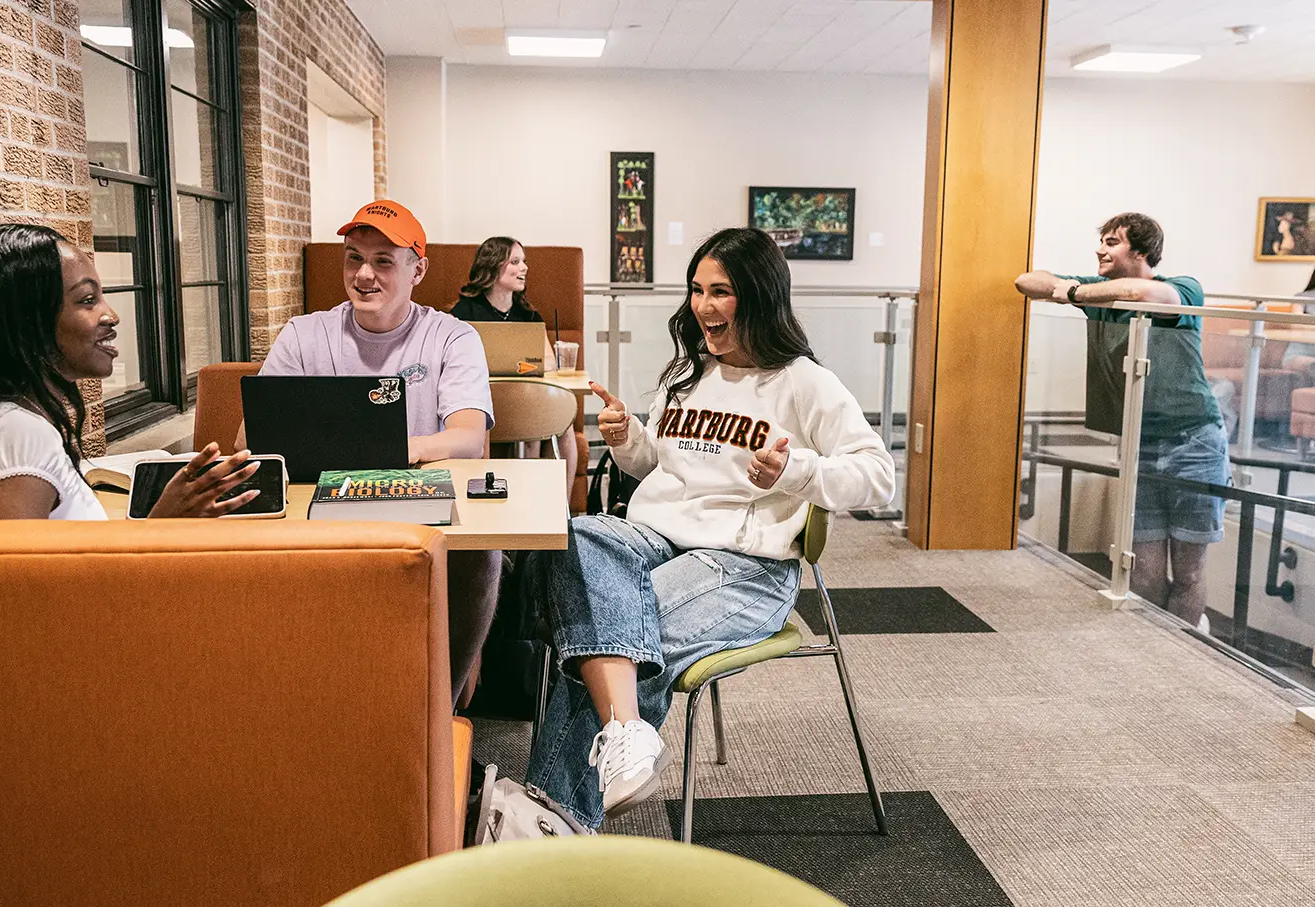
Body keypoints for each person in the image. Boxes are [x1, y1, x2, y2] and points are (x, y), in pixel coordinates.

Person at [525, 228, 893, 828]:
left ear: (758, 297)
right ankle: (622, 738)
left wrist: (795, 470)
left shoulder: (804, 382)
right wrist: (628, 439)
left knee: (601, 643)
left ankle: (547, 823)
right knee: (580, 535)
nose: (702, 306)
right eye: (696, 290)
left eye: (720, 291)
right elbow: (658, 467)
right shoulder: (686, 375)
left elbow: (878, 477)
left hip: (743, 565)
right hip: (657, 539)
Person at [238, 199, 500, 706]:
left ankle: (437, 711)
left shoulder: (451, 337)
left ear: (417, 269)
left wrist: (391, 449)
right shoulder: (304, 334)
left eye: (383, 260)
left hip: (415, 507)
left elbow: (469, 437)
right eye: (353, 258)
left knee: (482, 556)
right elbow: (249, 439)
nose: (363, 275)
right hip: (316, 513)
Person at [0, 223, 257, 522]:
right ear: (26, 323)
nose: (111, 316)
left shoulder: (4, 423)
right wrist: (162, 524)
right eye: (87, 300)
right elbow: (22, 600)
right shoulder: (16, 434)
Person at [1014, 213, 1228, 631]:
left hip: (1195, 444)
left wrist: (1073, 291)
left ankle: (1182, 650)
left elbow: (1146, 293)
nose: (1100, 250)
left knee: (1188, 573)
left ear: (1142, 251)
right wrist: (1075, 290)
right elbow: (1026, 281)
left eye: (1112, 242)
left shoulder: (1184, 287)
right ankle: (1152, 647)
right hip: (1139, 444)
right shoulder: (1099, 293)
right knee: (1143, 571)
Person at [450, 236, 580, 497]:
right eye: (516, 262)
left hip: (523, 398)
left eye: (524, 262)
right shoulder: (465, 312)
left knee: (563, 424)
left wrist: (520, 367)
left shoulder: (528, 313)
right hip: (483, 400)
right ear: (493, 265)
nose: (524, 268)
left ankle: (559, 512)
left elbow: (549, 362)